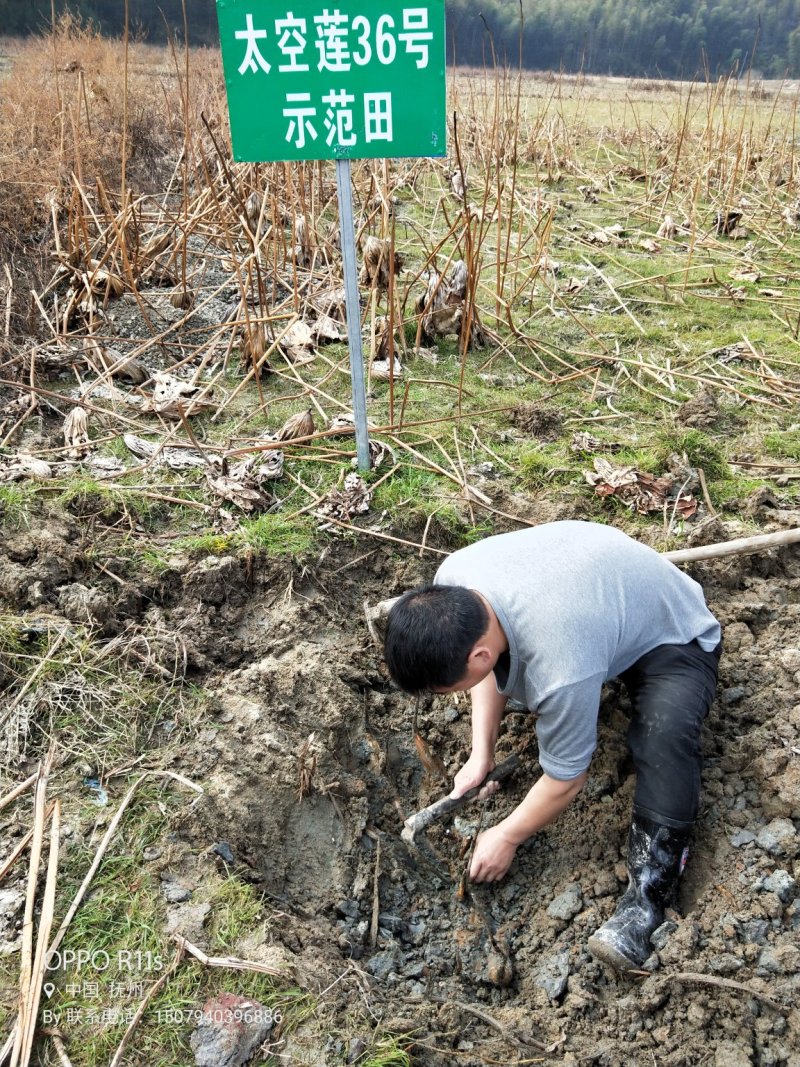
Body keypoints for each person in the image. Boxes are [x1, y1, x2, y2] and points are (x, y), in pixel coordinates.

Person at [383, 520, 722, 972]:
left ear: (478, 657)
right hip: (600, 595)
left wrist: (506, 835)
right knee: (544, 686)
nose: (444, 697)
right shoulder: (454, 580)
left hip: (671, 631)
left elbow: (566, 778)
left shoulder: (561, 665)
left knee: (661, 740)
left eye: (444, 689)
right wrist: (480, 752)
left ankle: (647, 901)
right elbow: (490, 663)